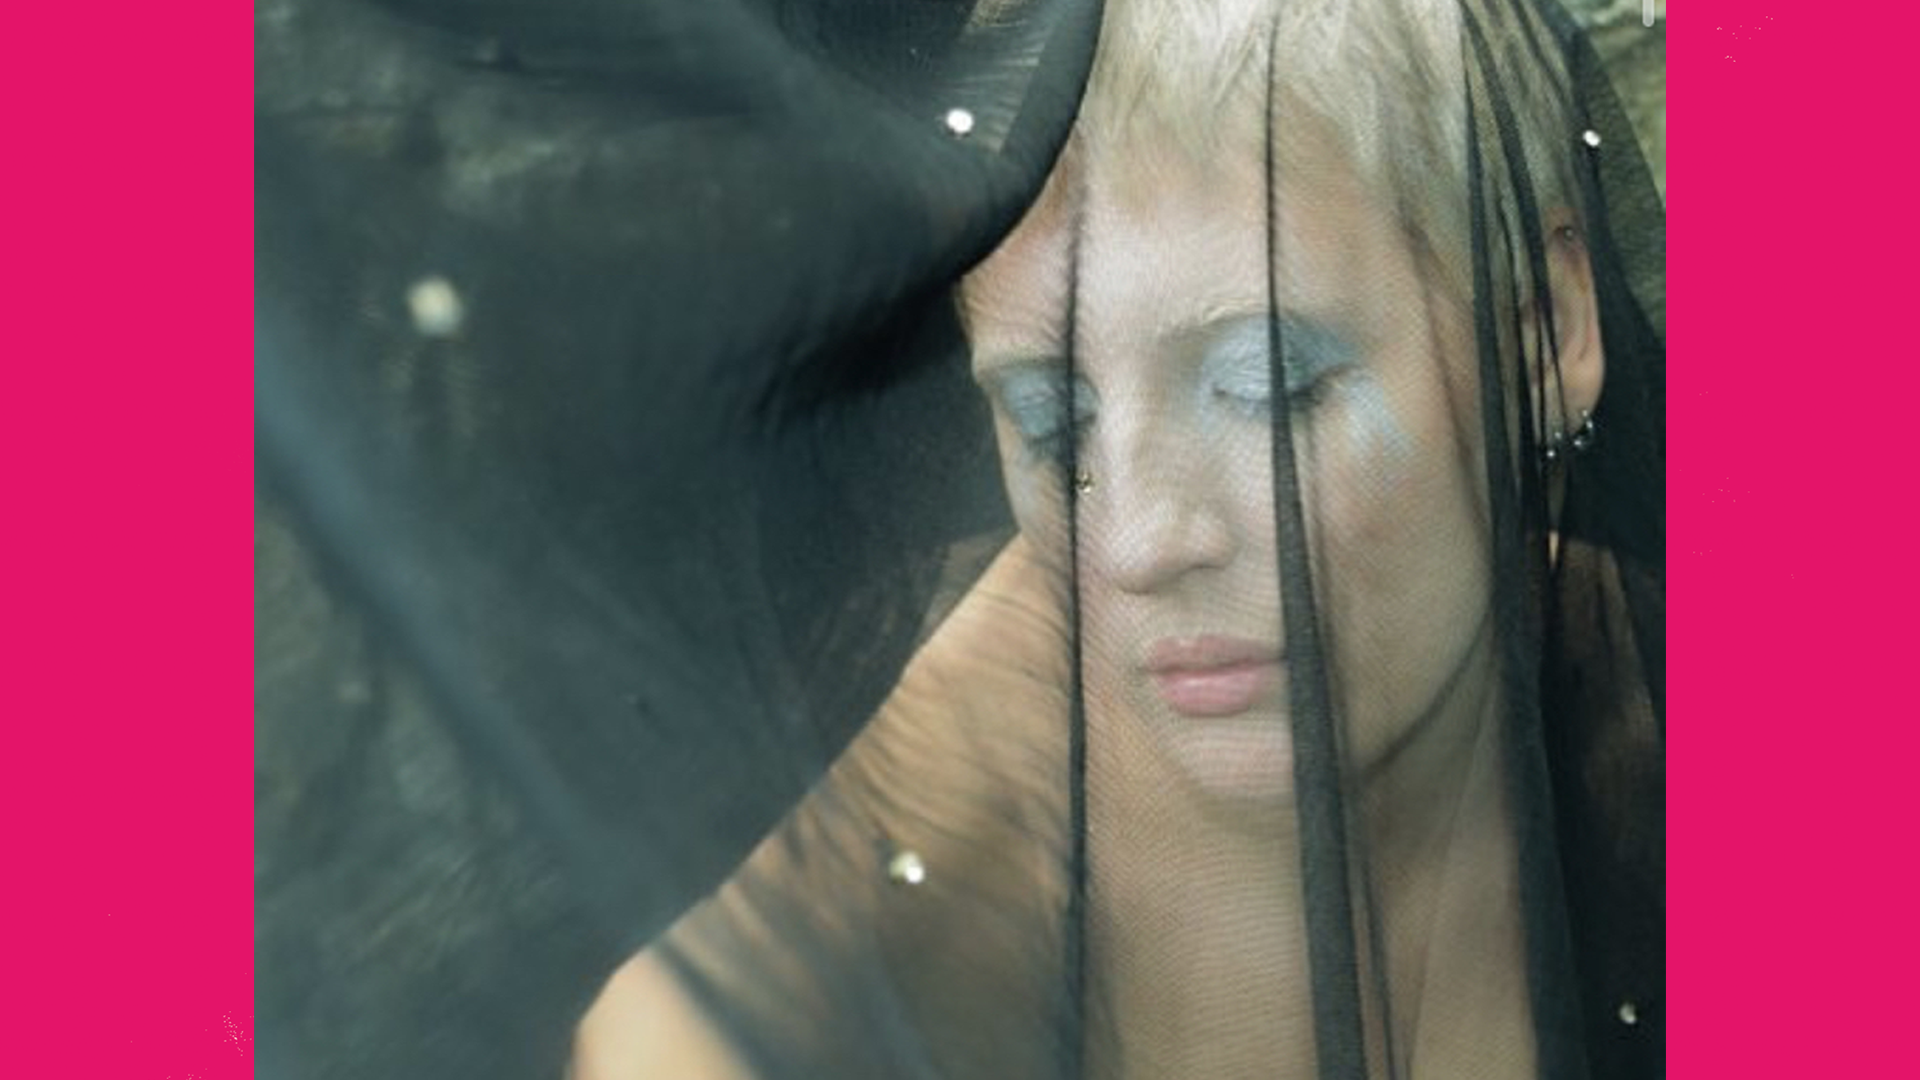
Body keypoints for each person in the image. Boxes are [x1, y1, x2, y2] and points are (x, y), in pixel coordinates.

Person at [572, 0, 1663, 1077]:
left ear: (1543, 328)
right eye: (1053, 422)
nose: (1138, 544)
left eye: (1267, 390)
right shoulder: (990, 764)